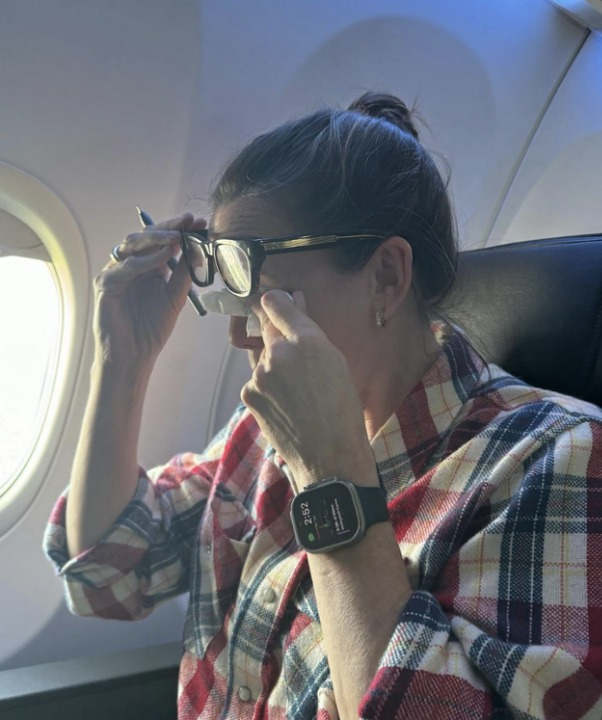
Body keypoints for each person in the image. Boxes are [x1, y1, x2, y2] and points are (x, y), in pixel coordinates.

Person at [44, 92, 602, 719]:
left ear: (386, 277)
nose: (240, 334)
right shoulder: (260, 433)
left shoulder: (556, 459)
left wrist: (329, 472)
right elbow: (113, 572)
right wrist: (121, 360)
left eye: (262, 286)